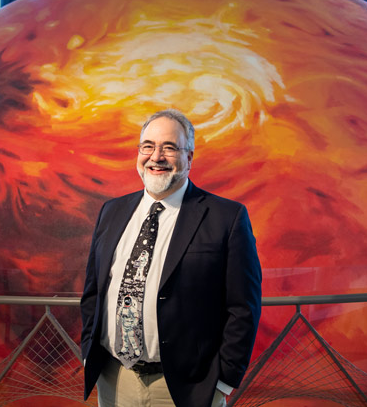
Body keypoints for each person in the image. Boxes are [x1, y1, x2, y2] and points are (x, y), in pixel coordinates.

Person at [81, 109, 262, 407]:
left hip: (186, 386)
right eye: (148, 146)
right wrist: (89, 350)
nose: (156, 156)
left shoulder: (226, 218)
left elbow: (243, 307)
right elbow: (93, 291)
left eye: (169, 147)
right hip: (114, 379)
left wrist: (224, 381)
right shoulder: (111, 212)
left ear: (189, 157)